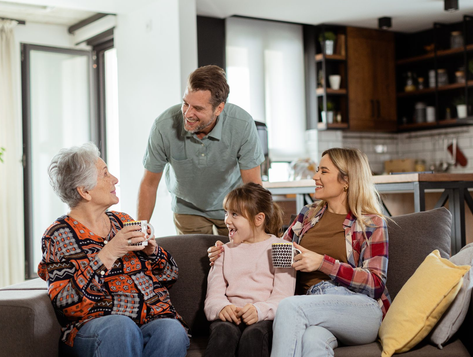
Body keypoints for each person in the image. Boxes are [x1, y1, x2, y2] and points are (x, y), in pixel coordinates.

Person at [208, 148, 390, 357]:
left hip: (358, 310)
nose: (315, 176)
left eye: (323, 171)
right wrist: (227, 250)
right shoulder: (308, 214)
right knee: (312, 341)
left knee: (289, 307)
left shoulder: (371, 223)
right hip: (313, 307)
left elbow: (376, 284)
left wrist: (323, 262)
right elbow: (276, 252)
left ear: (346, 180)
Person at [38, 142, 189, 357]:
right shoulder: (59, 234)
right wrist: (107, 254)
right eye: (105, 174)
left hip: (149, 321)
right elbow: (66, 304)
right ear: (85, 191)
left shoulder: (122, 221)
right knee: (121, 327)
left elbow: (170, 276)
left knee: (172, 330)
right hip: (98, 328)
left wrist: (151, 251)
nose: (115, 180)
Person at [137, 65, 265, 235]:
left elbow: (252, 185)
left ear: (219, 108)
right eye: (185, 103)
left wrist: (259, 232)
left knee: (237, 258)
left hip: (233, 206)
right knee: (193, 259)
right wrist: (140, 231)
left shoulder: (242, 124)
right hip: (188, 208)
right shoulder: (163, 126)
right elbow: (149, 184)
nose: (188, 113)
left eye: (197, 108)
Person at [204, 183, 296, 357]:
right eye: (226, 213)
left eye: (235, 214)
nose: (227, 220)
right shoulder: (223, 251)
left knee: (254, 335)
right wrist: (222, 308)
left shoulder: (282, 248)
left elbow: (284, 298)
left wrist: (258, 311)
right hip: (229, 319)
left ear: (258, 219)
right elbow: (213, 297)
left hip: (264, 319)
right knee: (223, 333)